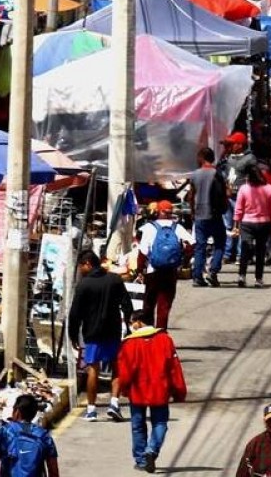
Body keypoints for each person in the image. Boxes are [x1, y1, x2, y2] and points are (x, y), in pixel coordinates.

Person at [117, 311, 187, 474]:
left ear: (139, 323)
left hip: (138, 391)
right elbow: (174, 367)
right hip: (159, 390)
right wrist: (179, 392)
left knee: (138, 426)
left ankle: (141, 459)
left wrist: (124, 389)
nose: (131, 326)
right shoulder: (165, 340)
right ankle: (152, 450)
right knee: (160, 423)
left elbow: (125, 371)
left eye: (132, 322)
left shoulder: (130, 344)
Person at [68, 250, 132, 422]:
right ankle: (114, 403)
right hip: (113, 330)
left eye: (81, 266)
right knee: (116, 367)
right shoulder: (115, 280)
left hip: (92, 333)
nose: (80, 270)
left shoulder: (84, 285)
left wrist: (73, 335)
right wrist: (128, 325)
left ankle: (91, 410)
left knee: (93, 369)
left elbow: (75, 314)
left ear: (88, 264)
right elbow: (127, 304)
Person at [137, 200, 193, 330]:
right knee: (164, 305)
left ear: (158, 211)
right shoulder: (177, 227)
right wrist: (183, 261)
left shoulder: (149, 227)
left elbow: (143, 252)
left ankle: (148, 332)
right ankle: (161, 334)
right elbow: (191, 244)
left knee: (149, 303)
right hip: (170, 271)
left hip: (152, 271)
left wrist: (140, 269)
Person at [0, 394, 60, 477]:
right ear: (34, 414)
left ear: (17, 411)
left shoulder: (4, 432)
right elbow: (53, 471)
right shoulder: (44, 436)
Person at [233, 165, 271, 288]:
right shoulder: (269, 189)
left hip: (247, 223)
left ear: (248, 177)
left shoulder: (243, 189)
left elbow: (238, 208)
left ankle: (242, 276)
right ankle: (258, 279)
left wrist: (236, 224)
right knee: (260, 251)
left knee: (245, 250)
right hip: (264, 223)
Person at [188, 147, 227, 288]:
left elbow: (191, 195)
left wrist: (192, 211)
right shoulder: (217, 173)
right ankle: (213, 271)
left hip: (199, 214)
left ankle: (197, 277)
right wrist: (224, 209)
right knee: (220, 243)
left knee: (200, 246)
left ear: (202, 157)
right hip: (214, 214)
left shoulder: (195, 174)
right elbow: (223, 194)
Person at [218, 132, 258, 263]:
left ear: (239, 145)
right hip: (229, 196)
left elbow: (254, 177)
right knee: (228, 225)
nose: (229, 146)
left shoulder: (250, 159)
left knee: (242, 225)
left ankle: (242, 254)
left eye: (231, 144)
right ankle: (228, 253)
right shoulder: (228, 158)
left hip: (243, 197)